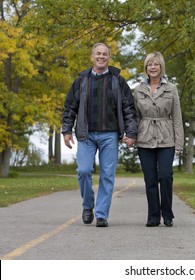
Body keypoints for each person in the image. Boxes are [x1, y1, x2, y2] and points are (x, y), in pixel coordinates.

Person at [62, 43, 137, 227]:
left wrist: (131, 132)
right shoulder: (81, 80)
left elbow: (128, 108)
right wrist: (66, 130)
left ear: (108, 58)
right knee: (84, 170)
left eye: (105, 54)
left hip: (110, 135)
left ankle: (101, 214)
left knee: (107, 175)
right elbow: (70, 106)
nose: (101, 57)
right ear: (92, 56)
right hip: (86, 135)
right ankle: (88, 206)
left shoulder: (117, 80)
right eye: (98, 54)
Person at [125, 51, 183, 227]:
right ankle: (153, 216)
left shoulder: (171, 88)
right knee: (150, 179)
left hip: (167, 137)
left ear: (161, 67)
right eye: (150, 64)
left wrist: (179, 144)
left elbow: (177, 117)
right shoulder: (138, 89)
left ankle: (167, 214)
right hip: (145, 137)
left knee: (165, 176)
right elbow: (134, 116)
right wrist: (131, 135)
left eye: (156, 64)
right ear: (146, 68)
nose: (152, 67)